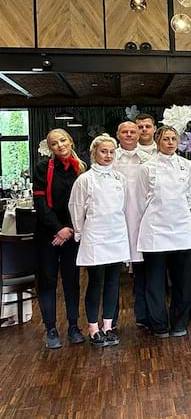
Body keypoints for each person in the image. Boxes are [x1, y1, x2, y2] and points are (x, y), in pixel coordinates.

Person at [69, 135, 129, 348]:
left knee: (113, 282)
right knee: (96, 282)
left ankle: (108, 326)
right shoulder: (85, 180)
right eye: (104, 151)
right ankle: (93, 328)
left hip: (116, 235)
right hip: (95, 235)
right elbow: (76, 208)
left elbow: (123, 207)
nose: (108, 155)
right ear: (94, 153)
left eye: (111, 152)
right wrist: (79, 232)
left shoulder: (120, 178)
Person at [136, 125, 191, 337]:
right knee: (155, 282)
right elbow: (141, 200)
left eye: (173, 139)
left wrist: (180, 214)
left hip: (181, 229)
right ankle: (159, 325)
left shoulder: (188, 166)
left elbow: (190, 197)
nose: (170, 143)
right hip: (155, 231)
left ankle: (179, 323)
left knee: (183, 282)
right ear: (157, 141)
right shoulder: (146, 168)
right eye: (165, 139)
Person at [33, 128, 86, 349]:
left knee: (72, 280)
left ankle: (73, 326)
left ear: (70, 141)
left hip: (72, 233)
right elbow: (40, 204)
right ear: (50, 148)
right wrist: (59, 229)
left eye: (62, 140)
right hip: (48, 233)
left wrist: (71, 229)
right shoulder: (42, 168)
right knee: (47, 280)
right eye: (54, 143)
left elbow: (84, 203)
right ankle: (51, 329)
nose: (59, 145)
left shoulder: (81, 169)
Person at [114, 119, 150, 329]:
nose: (128, 135)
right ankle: (110, 321)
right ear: (118, 135)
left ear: (138, 135)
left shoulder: (148, 159)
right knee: (111, 276)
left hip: (141, 221)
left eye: (132, 132)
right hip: (115, 223)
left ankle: (143, 316)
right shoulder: (109, 158)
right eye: (124, 132)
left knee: (143, 274)